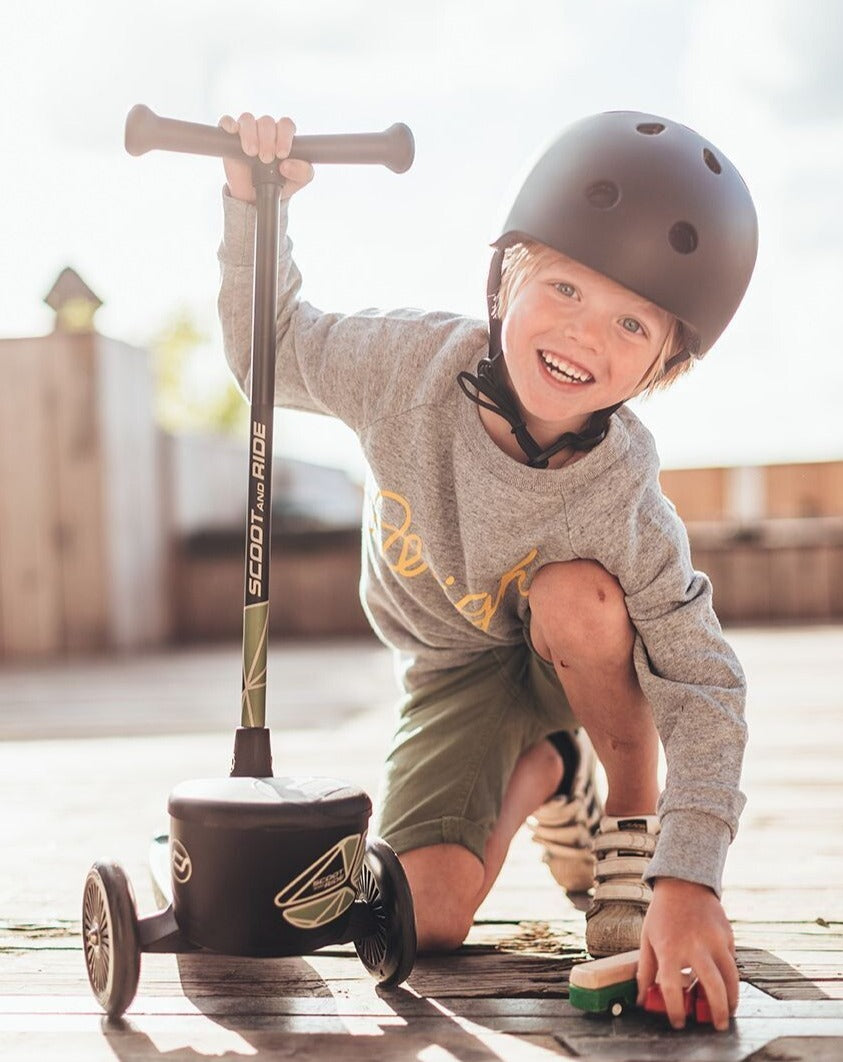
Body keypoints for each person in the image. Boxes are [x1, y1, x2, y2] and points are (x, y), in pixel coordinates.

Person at [216, 109, 758, 1033]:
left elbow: (703, 680)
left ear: (662, 363)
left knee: (576, 594)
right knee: (417, 921)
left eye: (631, 321)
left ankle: (621, 822)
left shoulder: (620, 488)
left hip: (576, 658)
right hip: (449, 668)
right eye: (564, 289)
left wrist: (686, 872)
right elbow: (269, 351)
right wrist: (250, 207)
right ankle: (548, 773)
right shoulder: (404, 364)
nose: (585, 335)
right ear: (507, 277)